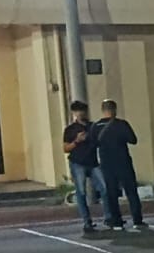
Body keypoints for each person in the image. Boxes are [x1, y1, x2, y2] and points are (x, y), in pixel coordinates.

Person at [92, 99, 146, 229]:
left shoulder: (96, 126)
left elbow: (93, 144)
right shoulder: (121, 124)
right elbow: (133, 140)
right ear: (115, 110)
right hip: (123, 162)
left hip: (107, 164)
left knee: (111, 193)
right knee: (131, 191)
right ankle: (137, 220)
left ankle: (116, 221)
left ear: (103, 110)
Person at [62, 101, 105, 234]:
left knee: (105, 188)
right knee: (81, 192)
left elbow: (99, 141)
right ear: (74, 113)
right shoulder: (70, 129)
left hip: (93, 162)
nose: (80, 113)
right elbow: (65, 148)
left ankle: (110, 217)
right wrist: (77, 141)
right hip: (77, 162)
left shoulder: (93, 127)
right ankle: (87, 222)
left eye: (82, 111)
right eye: (77, 111)